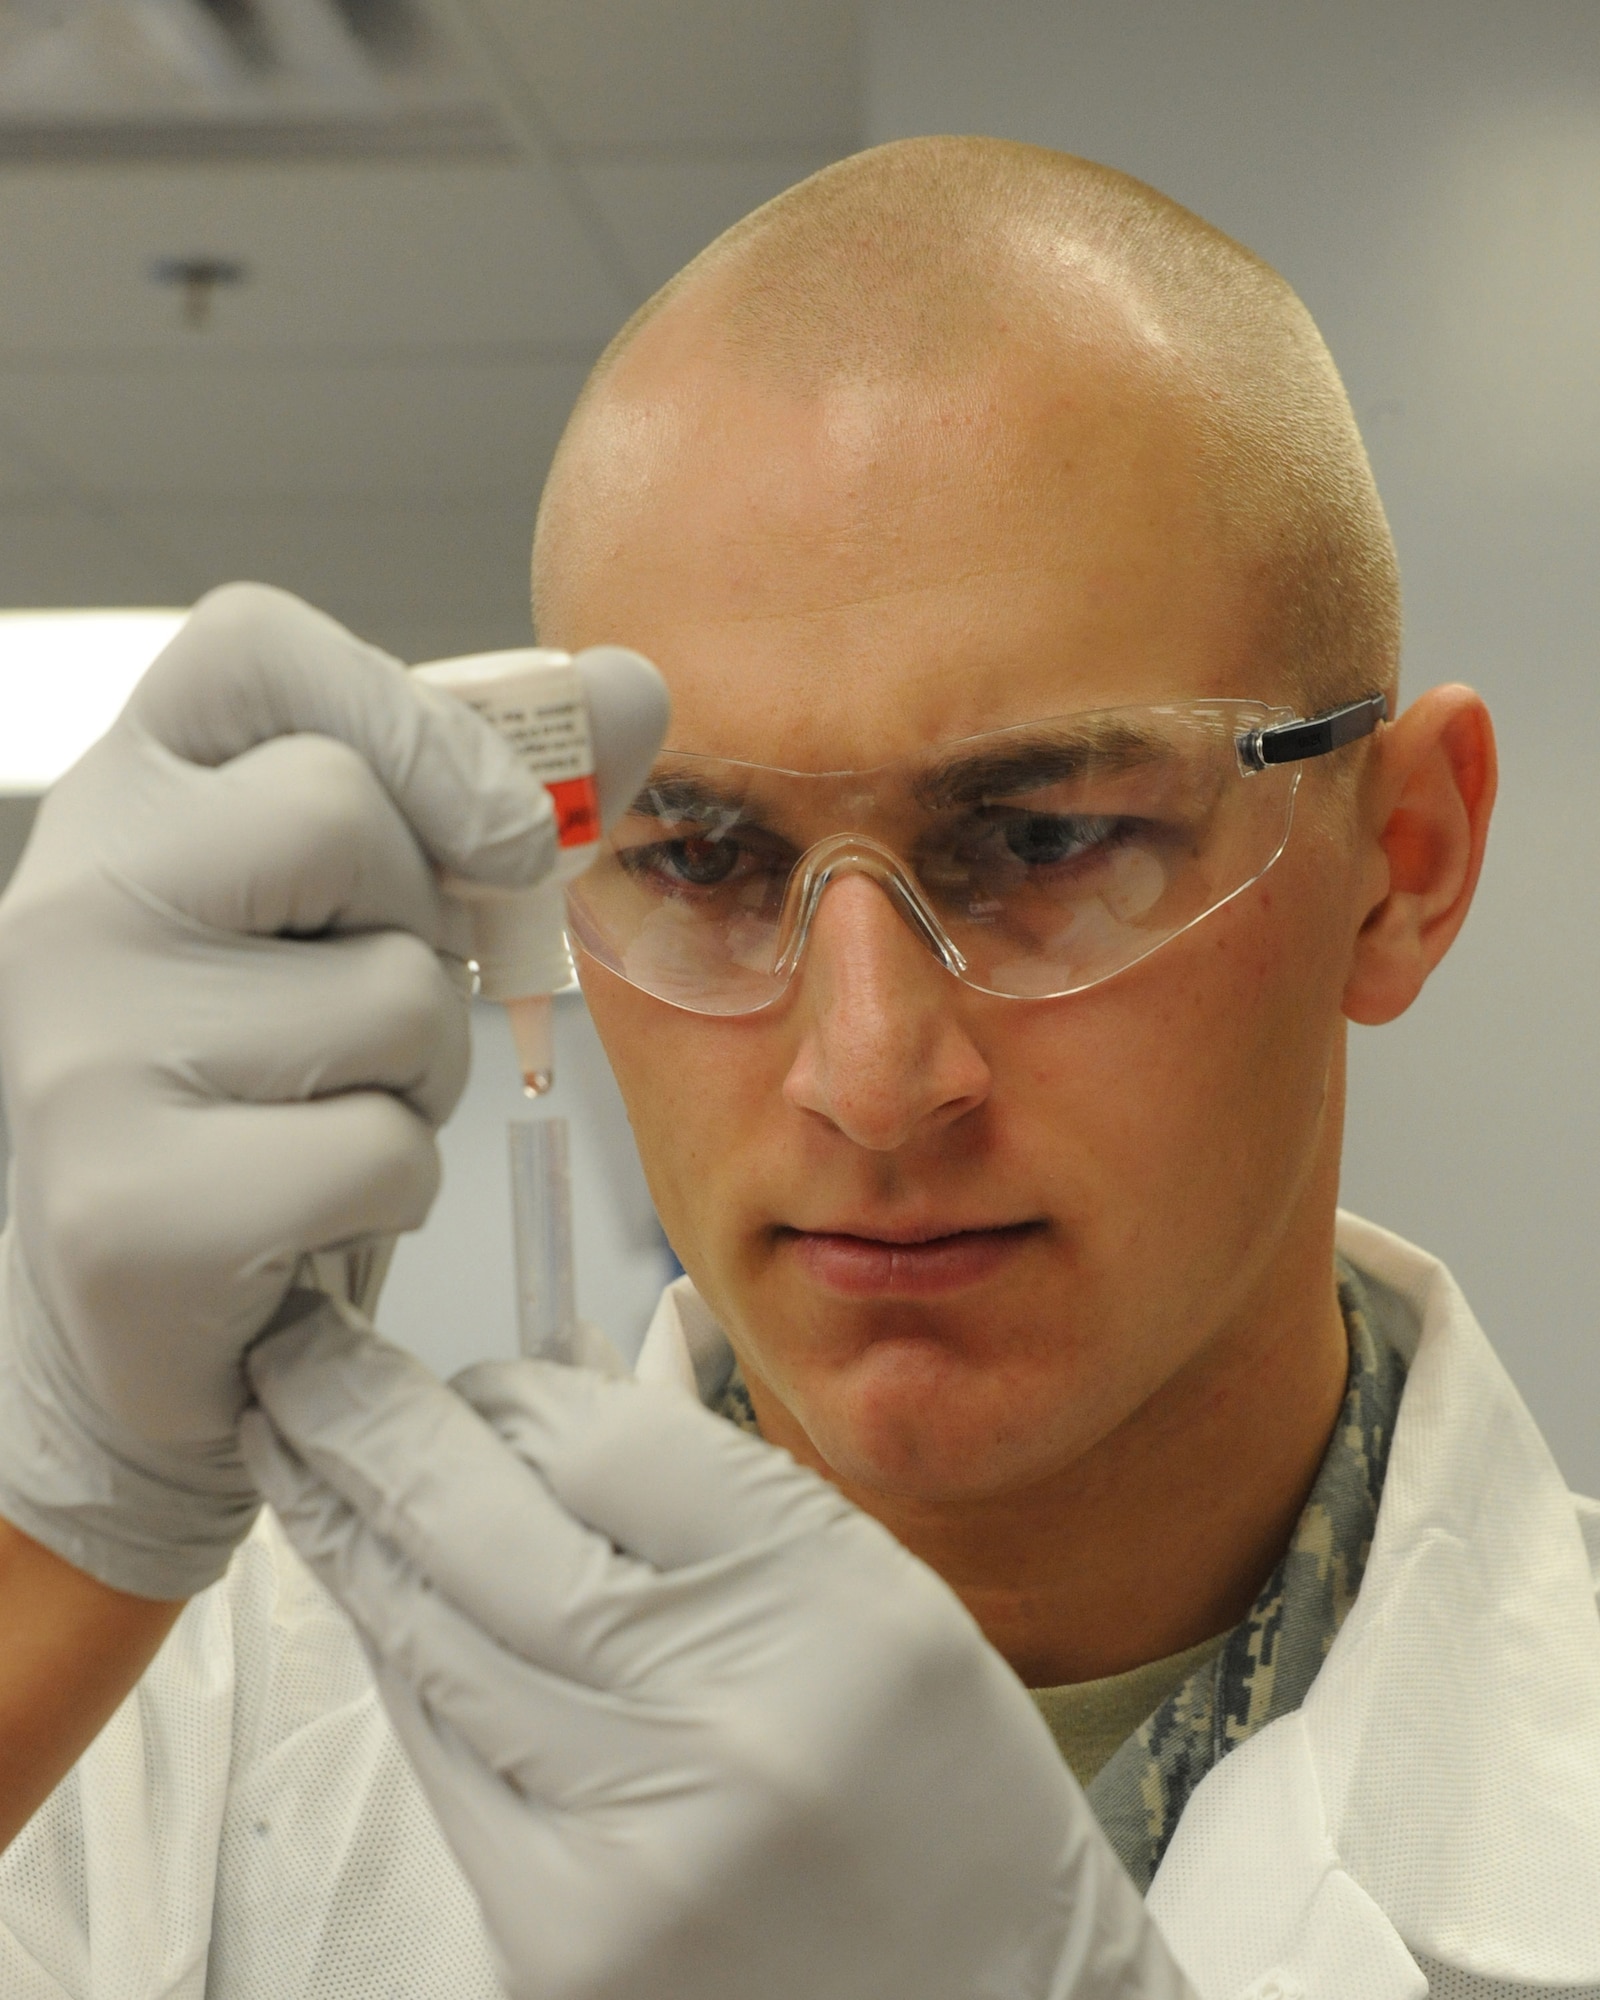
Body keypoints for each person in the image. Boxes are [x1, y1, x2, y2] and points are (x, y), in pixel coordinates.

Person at [0, 135, 1596, 1999]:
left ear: (1403, 865)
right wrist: (60, 1552)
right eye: (697, 860)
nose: (868, 1073)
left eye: (1048, 838)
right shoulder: (161, 1747)